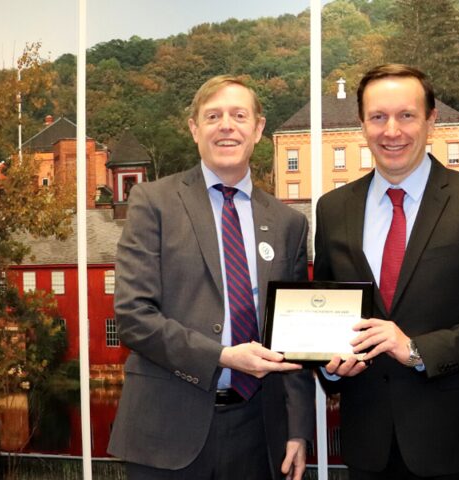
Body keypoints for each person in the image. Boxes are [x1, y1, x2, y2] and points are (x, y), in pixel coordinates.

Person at [314, 63, 459, 480]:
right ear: (362, 124)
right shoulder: (333, 210)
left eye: (406, 115)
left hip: (455, 448)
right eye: (378, 117)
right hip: (367, 447)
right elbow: (326, 312)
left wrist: (416, 349)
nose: (392, 131)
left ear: (431, 120)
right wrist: (327, 363)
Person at [108, 75, 314, 480]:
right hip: (166, 430)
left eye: (239, 116)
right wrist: (221, 356)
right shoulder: (153, 203)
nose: (226, 126)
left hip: (259, 434)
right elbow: (133, 316)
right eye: (213, 116)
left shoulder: (288, 223)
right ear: (194, 128)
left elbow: (293, 337)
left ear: (258, 128)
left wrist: (297, 430)